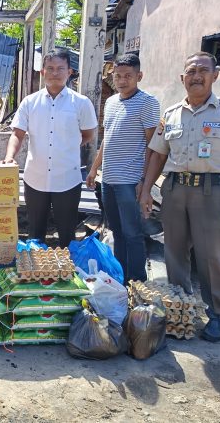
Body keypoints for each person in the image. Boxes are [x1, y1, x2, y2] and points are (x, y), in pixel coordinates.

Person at [139, 51, 220, 342]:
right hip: (175, 189)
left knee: (211, 256)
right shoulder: (170, 114)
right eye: (191, 71)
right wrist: (145, 191)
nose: (196, 76)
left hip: (210, 191)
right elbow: (157, 156)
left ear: (215, 75)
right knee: (175, 254)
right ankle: (183, 309)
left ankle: (217, 316)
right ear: (182, 78)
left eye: (203, 70)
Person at [0, 49, 97, 248]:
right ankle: (35, 274)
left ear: (69, 72)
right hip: (35, 179)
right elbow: (17, 134)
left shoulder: (81, 103)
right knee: (35, 233)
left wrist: (67, 145)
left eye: (60, 68)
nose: (55, 73)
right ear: (42, 72)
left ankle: (67, 275)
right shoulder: (30, 102)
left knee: (67, 234)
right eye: (50, 68)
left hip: (67, 179)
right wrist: (10, 157)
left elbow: (88, 135)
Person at [86, 54, 160, 283]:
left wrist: (145, 182)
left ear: (139, 76)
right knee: (117, 233)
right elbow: (107, 139)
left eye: (128, 76)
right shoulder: (111, 102)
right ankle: (120, 279)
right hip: (108, 180)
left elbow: (153, 145)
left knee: (133, 234)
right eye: (118, 76)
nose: (122, 80)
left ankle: (137, 281)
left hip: (130, 181)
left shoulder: (148, 103)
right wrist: (93, 169)